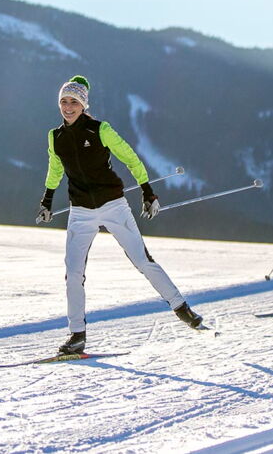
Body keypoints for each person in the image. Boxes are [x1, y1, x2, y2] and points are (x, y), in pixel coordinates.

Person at [38, 75, 203, 354]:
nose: (68, 107)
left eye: (74, 102)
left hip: (113, 204)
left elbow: (130, 158)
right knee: (73, 273)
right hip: (80, 211)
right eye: (64, 102)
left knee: (142, 260)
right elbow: (55, 168)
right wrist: (47, 200)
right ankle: (76, 335)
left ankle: (181, 308)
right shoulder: (56, 137)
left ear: (83, 104)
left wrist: (148, 192)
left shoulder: (100, 130)